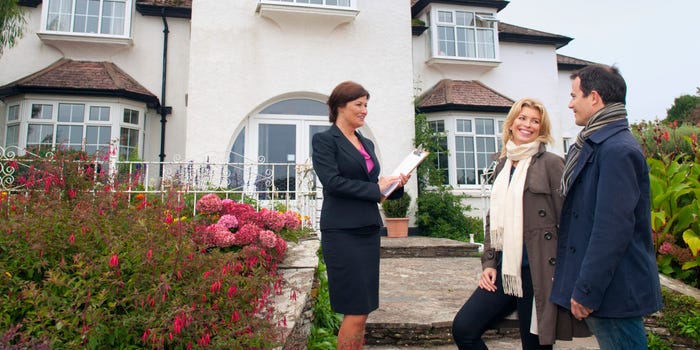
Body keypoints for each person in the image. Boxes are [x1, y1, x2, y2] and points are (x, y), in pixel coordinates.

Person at [452, 98, 589, 350]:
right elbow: (494, 219)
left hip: (539, 272)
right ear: (512, 123)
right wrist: (489, 262)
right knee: (464, 328)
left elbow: (569, 221)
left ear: (542, 128)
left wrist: (569, 276)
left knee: (535, 346)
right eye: (523, 118)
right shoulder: (503, 164)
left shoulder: (551, 163)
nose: (528, 125)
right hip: (506, 272)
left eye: (535, 121)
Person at [550, 64, 663, 349]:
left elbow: (611, 230)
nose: (570, 103)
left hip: (613, 290)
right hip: (607, 289)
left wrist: (586, 290)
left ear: (595, 98)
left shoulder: (616, 150)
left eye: (574, 95)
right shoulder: (599, 145)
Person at [312, 81, 409, 349]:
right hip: (342, 231)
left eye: (366, 104)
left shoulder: (365, 142)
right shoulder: (324, 140)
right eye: (359, 104)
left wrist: (394, 186)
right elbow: (333, 182)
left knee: (364, 309)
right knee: (354, 309)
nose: (364, 110)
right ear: (339, 106)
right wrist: (375, 186)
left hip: (367, 229)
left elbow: (373, 188)